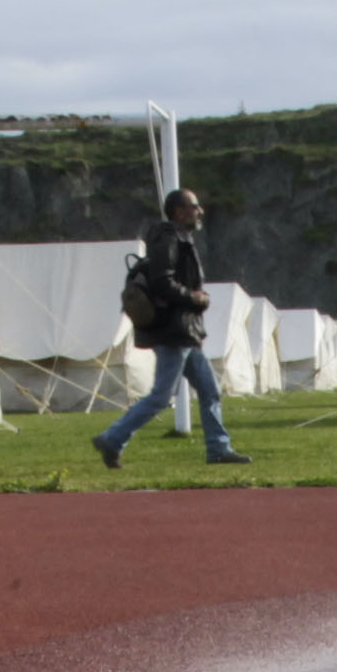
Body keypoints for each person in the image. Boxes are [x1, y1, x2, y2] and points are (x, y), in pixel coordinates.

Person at [95, 188, 251, 468]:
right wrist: (194, 297)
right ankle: (113, 438)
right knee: (161, 396)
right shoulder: (168, 238)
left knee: (209, 390)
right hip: (174, 331)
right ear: (179, 211)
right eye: (194, 206)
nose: (199, 211)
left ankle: (218, 448)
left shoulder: (176, 238)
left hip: (184, 332)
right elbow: (162, 281)